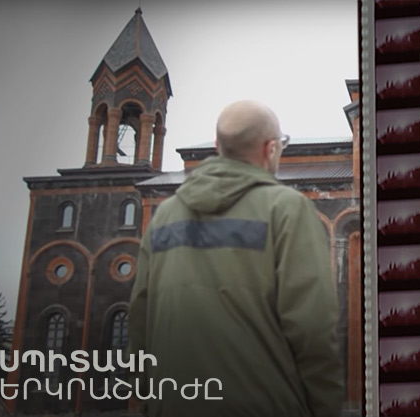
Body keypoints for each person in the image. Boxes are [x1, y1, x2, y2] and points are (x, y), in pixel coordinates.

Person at [129, 100, 344, 417]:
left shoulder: (164, 217)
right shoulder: (286, 210)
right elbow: (312, 327)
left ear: (218, 147)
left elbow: (139, 321)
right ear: (271, 149)